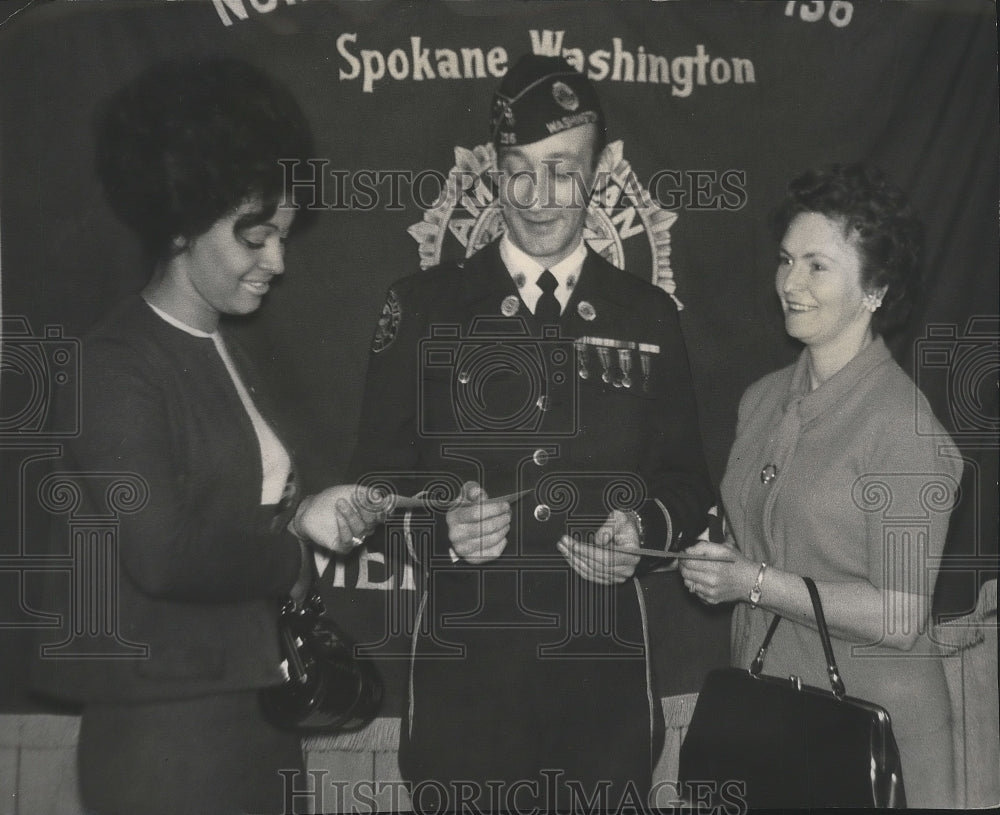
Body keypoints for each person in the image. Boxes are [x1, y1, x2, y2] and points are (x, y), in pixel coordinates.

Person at [348, 54, 713, 812]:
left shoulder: (647, 315)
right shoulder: (422, 307)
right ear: (491, 170)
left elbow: (686, 479)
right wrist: (440, 525)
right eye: (518, 171)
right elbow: (372, 484)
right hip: (465, 703)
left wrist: (641, 527)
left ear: (602, 170)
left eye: (562, 171)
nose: (538, 197)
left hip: (603, 701)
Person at [31, 57, 378, 815]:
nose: (277, 262)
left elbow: (225, 518)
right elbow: (164, 553)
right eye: (255, 238)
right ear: (182, 224)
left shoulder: (226, 347)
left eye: (283, 236)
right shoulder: (113, 364)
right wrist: (296, 544)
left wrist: (307, 510)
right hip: (170, 738)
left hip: (251, 715)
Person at [679, 163, 963, 808]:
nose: (790, 283)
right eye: (785, 260)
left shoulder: (904, 429)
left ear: (876, 289)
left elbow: (900, 612)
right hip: (769, 722)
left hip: (868, 740)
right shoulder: (761, 401)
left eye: (817, 266)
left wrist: (752, 582)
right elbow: (758, 540)